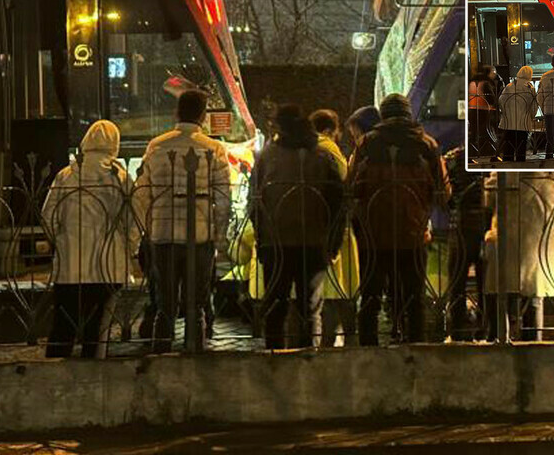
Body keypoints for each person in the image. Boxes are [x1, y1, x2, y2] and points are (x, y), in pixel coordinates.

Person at [134, 90, 234, 353]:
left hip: (163, 234)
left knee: (164, 303)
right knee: (196, 303)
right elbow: (224, 198)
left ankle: (161, 350)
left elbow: (143, 193)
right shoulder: (214, 149)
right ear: (203, 115)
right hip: (200, 236)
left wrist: (146, 227)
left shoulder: (156, 146)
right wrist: (220, 235)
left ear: (176, 112)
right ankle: (195, 350)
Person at [350, 94, 449, 345]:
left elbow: (350, 187)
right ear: (408, 114)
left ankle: (369, 351)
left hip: (374, 234)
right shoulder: (427, 144)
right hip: (412, 232)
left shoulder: (366, 144)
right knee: (414, 297)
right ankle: (414, 349)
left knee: (370, 297)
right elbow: (443, 192)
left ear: (383, 115)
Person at [251, 105, 344, 349]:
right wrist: (333, 244)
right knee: (310, 308)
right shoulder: (323, 156)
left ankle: (275, 359)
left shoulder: (267, 157)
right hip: (313, 241)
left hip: (276, 242)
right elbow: (337, 203)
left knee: (275, 306)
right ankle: (308, 358)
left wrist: (261, 239)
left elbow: (255, 203)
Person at [41, 120, 133, 358]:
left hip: (70, 266)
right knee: (98, 331)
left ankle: (54, 377)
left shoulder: (67, 175)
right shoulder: (119, 177)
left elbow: (48, 215)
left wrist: (60, 243)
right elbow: (132, 221)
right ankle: (94, 376)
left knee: (63, 327)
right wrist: (128, 250)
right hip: (107, 266)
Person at [482, 171, 554, 341]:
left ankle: (500, 342)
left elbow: (488, 196)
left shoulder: (507, 168)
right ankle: (534, 347)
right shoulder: (549, 167)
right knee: (534, 295)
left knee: (501, 294)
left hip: (510, 235)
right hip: (539, 236)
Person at [310, 109, 359, 347]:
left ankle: (325, 339)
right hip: (334, 230)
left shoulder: (306, 148)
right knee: (339, 288)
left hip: (313, 228)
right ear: (331, 130)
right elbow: (344, 186)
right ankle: (338, 339)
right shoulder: (330, 149)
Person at [442, 146, 491, 341]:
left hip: (461, 225)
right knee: (485, 281)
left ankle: (458, 328)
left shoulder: (453, 158)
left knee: (457, 280)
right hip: (485, 225)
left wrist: (453, 205)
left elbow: (447, 195)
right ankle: (486, 326)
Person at [498, 66, 538, 162]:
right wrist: (532, 115)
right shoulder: (529, 88)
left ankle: (508, 162)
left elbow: (501, 100)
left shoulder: (510, 86)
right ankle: (520, 163)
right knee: (521, 145)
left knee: (509, 144)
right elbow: (533, 104)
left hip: (509, 121)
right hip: (522, 121)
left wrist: (505, 112)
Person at [468, 65, 499, 159]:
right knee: (486, 131)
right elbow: (491, 98)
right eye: (493, 73)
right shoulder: (486, 83)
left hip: (472, 110)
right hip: (484, 110)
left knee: (474, 132)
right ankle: (488, 150)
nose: (494, 75)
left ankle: (472, 151)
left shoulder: (472, 82)